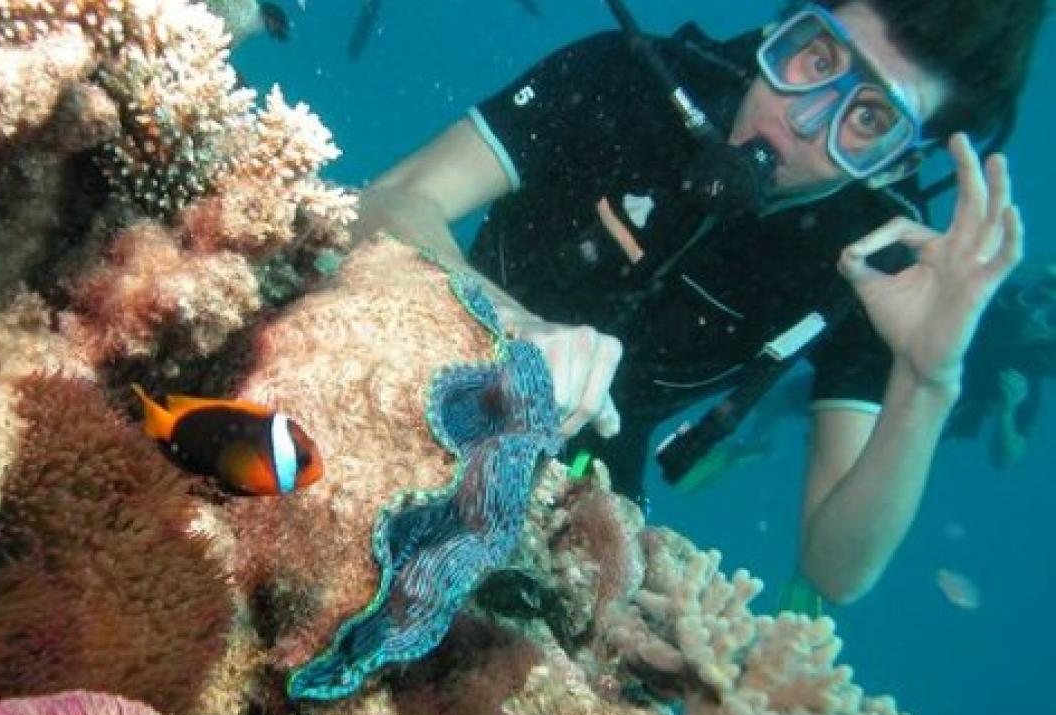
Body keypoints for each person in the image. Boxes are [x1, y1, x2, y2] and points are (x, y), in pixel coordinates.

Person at [350, 0, 1045, 604]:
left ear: (897, 165)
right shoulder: (625, 77)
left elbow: (837, 568)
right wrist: (510, 322)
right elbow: (389, 199)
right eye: (816, 59)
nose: (804, 121)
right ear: (784, 30)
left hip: (588, 497)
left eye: (867, 118)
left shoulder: (872, 272)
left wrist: (928, 380)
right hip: (418, 343)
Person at [946, 263, 1056, 469]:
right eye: (1036, 299)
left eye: (1053, 318)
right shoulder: (986, 301)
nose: (1035, 316)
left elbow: (1005, 459)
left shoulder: (1024, 377)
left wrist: (1008, 411)